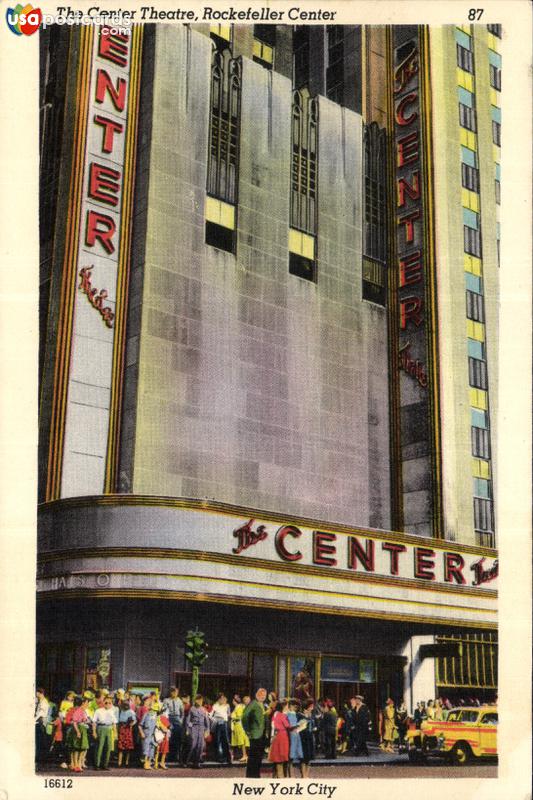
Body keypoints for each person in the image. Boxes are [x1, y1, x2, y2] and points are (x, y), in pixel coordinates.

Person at [242, 688, 267, 778]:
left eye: (264, 695)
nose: (262, 697)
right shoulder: (253, 704)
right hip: (255, 734)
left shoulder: (263, 705)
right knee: (253, 756)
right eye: (261, 695)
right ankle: (251, 775)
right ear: (257, 695)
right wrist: (248, 730)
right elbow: (244, 717)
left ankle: (256, 774)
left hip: (262, 734)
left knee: (259, 756)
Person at [92, 695, 117, 770]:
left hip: (109, 729)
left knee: (108, 747)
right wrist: (94, 732)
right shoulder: (98, 711)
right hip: (101, 728)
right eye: (106, 703)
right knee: (99, 746)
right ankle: (97, 764)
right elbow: (94, 722)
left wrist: (115, 733)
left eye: (110, 703)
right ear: (103, 702)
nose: (108, 704)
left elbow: (114, 723)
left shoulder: (112, 711)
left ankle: (105, 764)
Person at [269, 700, 292, 778]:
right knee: (282, 756)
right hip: (283, 736)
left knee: (277, 756)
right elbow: (288, 725)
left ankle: (276, 776)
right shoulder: (283, 715)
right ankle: (281, 776)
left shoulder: (275, 714)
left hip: (276, 736)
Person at [186, 694, 210, 769]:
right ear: (195, 701)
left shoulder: (203, 709)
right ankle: (187, 761)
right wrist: (188, 729)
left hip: (202, 728)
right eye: (198, 700)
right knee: (193, 745)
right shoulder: (192, 709)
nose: (199, 702)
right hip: (194, 728)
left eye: (201, 700)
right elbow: (188, 720)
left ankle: (197, 762)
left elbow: (207, 721)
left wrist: (207, 730)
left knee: (200, 746)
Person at [68, 696, 91, 772]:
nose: (88, 704)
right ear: (83, 703)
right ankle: (76, 765)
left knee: (83, 748)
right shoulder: (78, 710)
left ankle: (78, 764)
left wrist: (87, 721)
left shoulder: (84, 711)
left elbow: (84, 720)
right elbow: (74, 722)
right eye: (87, 703)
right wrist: (77, 732)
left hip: (83, 729)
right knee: (77, 748)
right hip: (78, 729)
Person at [163, 686, 184, 763]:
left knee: (178, 738)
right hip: (169, 718)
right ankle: (169, 756)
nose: (175, 694)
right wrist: (167, 722)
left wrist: (181, 720)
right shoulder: (166, 700)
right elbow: (164, 712)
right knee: (169, 738)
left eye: (176, 692)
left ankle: (176, 756)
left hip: (177, 719)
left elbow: (182, 712)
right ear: (171, 692)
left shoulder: (179, 701)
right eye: (173, 692)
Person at [210, 692, 232, 764]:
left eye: (223, 698)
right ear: (218, 699)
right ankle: (219, 757)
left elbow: (229, 715)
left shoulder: (227, 706)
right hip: (217, 724)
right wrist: (215, 720)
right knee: (217, 741)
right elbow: (210, 715)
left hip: (224, 723)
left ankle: (228, 758)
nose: (223, 699)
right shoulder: (215, 706)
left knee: (225, 741)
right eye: (221, 698)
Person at [138, 700, 157, 770]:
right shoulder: (146, 714)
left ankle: (148, 764)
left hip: (153, 734)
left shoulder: (156, 715)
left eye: (153, 705)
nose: (152, 707)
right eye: (150, 705)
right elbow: (140, 725)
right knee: (145, 749)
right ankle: (145, 764)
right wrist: (142, 733)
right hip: (146, 733)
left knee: (152, 749)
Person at [287, 699, 303, 776]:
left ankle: (292, 773)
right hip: (292, 734)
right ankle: (291, 773)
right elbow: (290, 725)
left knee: (294, 754)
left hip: (295, 734)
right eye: (294, 706)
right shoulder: (289, 714)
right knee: (291, 754)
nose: (295, 708)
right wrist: (297, 725)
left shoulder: (295, 714)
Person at [117, 700, 136, 767]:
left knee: (128, 747)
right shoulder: (121, 711)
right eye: (124, 704)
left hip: (128, 729)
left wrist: (131, 724)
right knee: (121, 747)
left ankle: (126, 762)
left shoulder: (131, 712)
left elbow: (134, 721)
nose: (125, 706)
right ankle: (119, 762)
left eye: (126, 704)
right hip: (122, 728)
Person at [230, 694, 249, 763]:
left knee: (242, 740)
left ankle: (244, 755)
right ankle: (243, 755)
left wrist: (233, 717)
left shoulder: (239, 707)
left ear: (235, 701)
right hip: (237, 725)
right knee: (240, 740)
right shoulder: (237, 707)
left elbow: (240, 716)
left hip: (239, 725)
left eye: (233, 700)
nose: (232, 702)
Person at [35, 688, 50, 765]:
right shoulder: (40, 701)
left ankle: (41, 759)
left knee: (40, 740)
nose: (36, 695)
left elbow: (41, 713)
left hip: (40, 721)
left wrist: (34, 719)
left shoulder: (44, 702)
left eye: (37, 693)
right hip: (39, 720)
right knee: (39, 740)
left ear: (41, 693)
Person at [154, 704, 171, 770]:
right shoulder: (163, 718)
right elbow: (168, 726)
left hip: (157, 736)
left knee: (157, 750)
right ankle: (162, 762)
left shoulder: (157, 717)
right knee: (164, 750)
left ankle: (156, 763)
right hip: (164, 736)